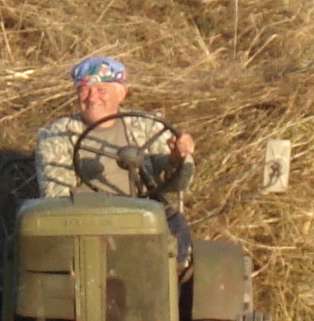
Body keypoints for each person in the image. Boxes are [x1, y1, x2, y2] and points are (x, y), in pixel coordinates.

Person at [34, 56, 196, 219]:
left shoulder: (147, 126)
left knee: (176, 224)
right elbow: (57, 199)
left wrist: (177, 160)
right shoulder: (57, 134)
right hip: (86, 219)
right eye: (84, 90)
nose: (92, 97)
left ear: (121, 93)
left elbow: (177, 185)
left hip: (144, 216)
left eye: (101, 90)